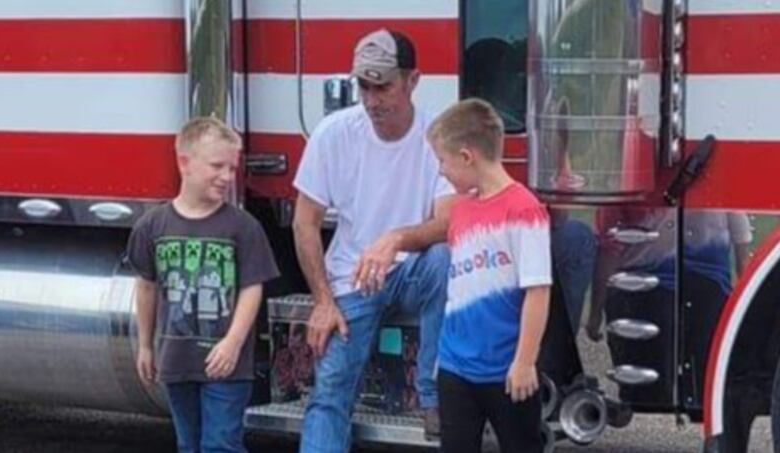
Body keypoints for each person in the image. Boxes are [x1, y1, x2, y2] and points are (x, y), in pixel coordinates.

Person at [293, 28, 454, 452]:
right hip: (352, 280)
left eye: (382, 86)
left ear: (413, 80)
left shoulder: (437, 137)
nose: (370, 99)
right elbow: (304, 222)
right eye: (363, 85)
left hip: (411, 273)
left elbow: (449, 222)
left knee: (445, 256)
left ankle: (431, 395)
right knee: (328, 395)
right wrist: (324, 301)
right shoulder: (333, 133)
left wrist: (396, 238)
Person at [127, 117, 279, 453]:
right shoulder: (152, 225)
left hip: (227, 363)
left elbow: (252, 288)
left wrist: (233, 343)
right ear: (185, 162)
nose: (227, 176)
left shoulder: (243, 227)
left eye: (232, 167)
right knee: (189, 444)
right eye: (217, 166)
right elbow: (146, 286)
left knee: (220, 445)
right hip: (176, 362)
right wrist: (146, 346)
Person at [427, 98, 552, 453]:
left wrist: (526, 361)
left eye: (443, 161)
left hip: (507, 370)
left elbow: (538, 291)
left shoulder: (524, 209)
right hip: (455, 367)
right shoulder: (461, 209)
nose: (441, 171)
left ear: (467, 157)